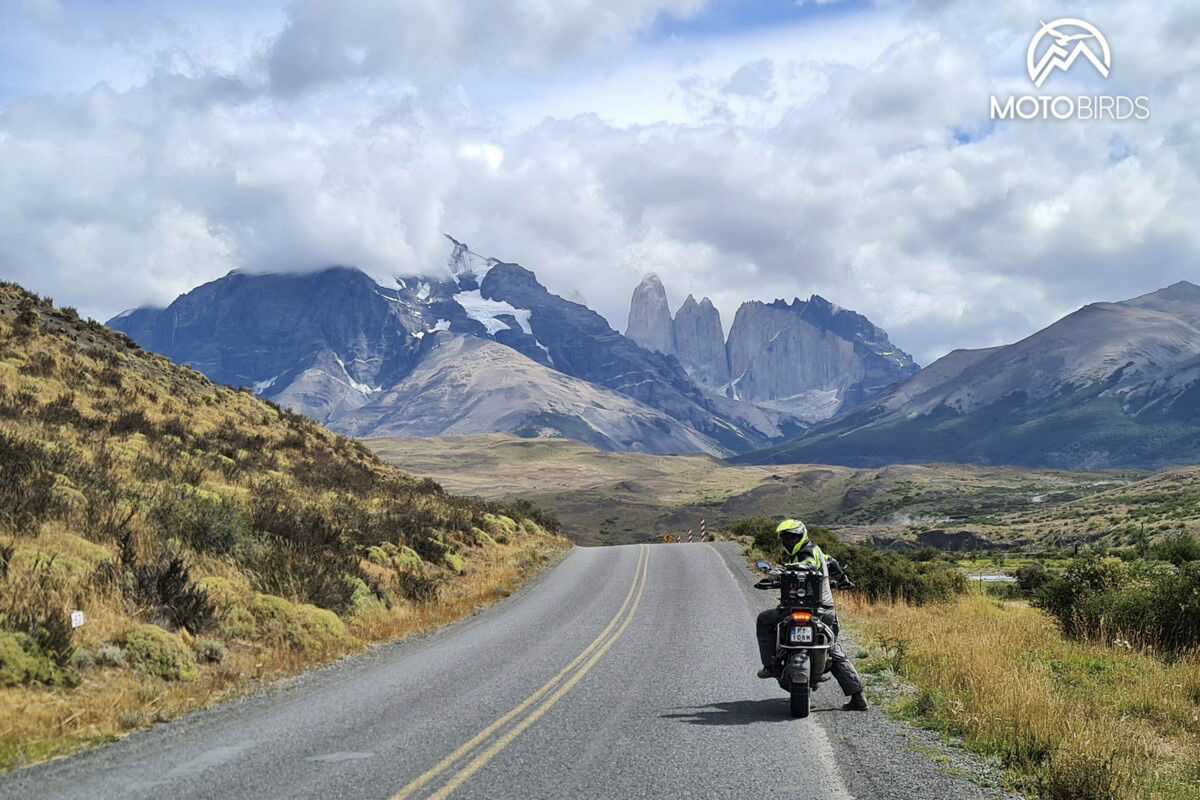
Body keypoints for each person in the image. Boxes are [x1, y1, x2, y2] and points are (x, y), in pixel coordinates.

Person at [755, 518, 868, 711]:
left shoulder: (806, 554)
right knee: (831, 647)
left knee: (765, 620)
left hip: (807, 609)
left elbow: (805, 566)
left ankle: (771, 666)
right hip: (824, 610)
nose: (789, 541)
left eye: (793, 537)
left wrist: (779, 572)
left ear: (802, 536)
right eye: (786, 538)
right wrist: (843, 580)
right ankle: (857, 695)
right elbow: (832, 564)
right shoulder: (818, 552)